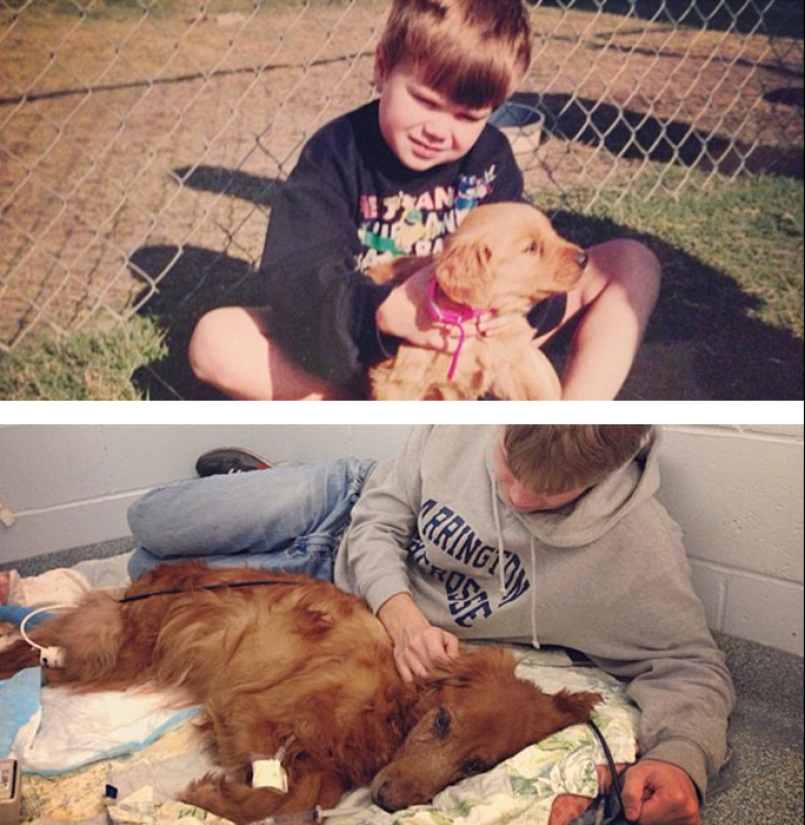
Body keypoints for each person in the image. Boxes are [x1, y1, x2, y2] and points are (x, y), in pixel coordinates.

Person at [127, 425, 733, 825]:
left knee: (144, 576)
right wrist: (400, 612)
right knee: (148, 525)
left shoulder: (640, 553)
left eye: (546, 493)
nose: (514, 493)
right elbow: (379, 520)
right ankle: (269, 478)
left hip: (320, 597)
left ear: (603, 474)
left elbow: (689, 665)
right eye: (503, 464)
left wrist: (683, 757)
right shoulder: (468, 416)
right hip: (347, 505)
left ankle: (253, 518)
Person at [188, 0, 661, 400]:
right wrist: (382, 311)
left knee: (631, 263)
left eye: (468, 115)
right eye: (426, 102)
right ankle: (369, 411)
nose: (440, 130)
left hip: (486, 336)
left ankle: (569, 421)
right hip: (373, 350)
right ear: (381, 68)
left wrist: (515, 312)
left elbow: (525, 259)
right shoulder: (336, 154)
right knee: (217, 340)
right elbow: (298, 276)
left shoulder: (490, 156)